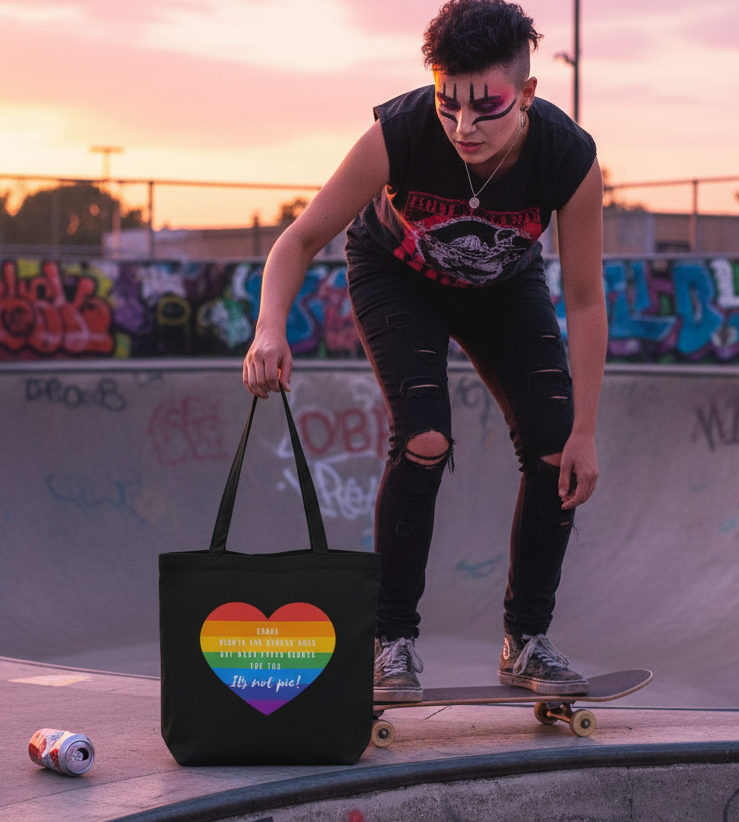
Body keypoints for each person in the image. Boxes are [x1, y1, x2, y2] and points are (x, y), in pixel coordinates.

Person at [243, 0, 607, 702]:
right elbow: (296, 241)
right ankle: (392, 641)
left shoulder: (569, 157)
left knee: (556, 448)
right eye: (449, 106)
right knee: (425, 438)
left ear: (527, 93)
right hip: (396, 276)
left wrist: (586, 431)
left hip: (504, 283)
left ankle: (526, 640)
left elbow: (587, 301)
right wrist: (269, 327)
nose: (464, 127)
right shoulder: (398, 133)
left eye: (486, 109)